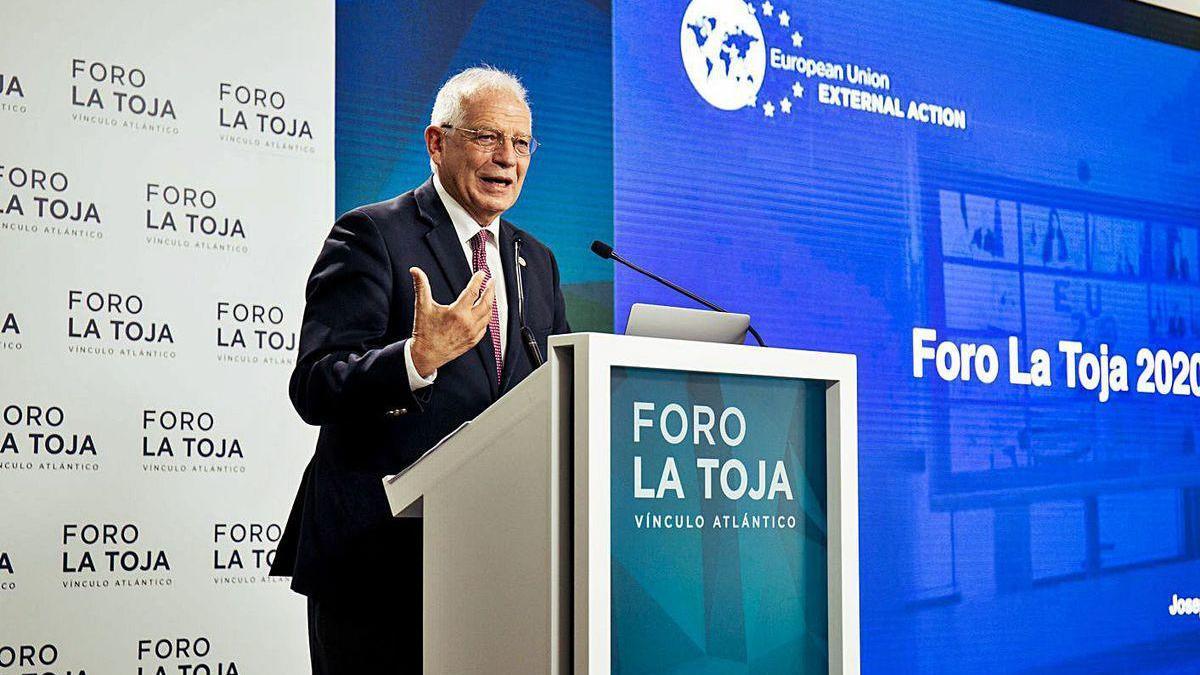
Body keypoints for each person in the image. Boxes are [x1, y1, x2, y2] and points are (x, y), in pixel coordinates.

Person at [270, 66, 571, 674]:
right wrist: (416, 360)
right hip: (377, 562)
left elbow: (549, 391)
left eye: (520, 144)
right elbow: (314, 384)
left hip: (495, 561)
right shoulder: (371, 234)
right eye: (487, 137)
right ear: (437, 142)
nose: (506, 159)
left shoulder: (535, 260)